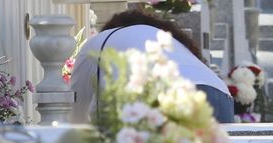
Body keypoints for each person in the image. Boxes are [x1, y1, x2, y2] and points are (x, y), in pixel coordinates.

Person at [68, 8, 236, 125]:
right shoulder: (172, 41)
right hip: (217, 93)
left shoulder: (100, 40)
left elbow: (76, 108)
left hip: (159, 94)